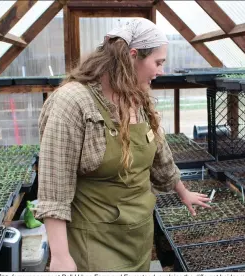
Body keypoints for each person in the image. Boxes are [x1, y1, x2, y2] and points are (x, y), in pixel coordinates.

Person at [35, 18, 211, 272]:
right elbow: (54, 185)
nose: (161, 70)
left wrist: (182, 191)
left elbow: (158, 151)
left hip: (139, 234)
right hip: (94, 239)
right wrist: (61, 257)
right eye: (158, 63)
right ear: (132, 56)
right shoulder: (73, 102)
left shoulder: (137, 95)